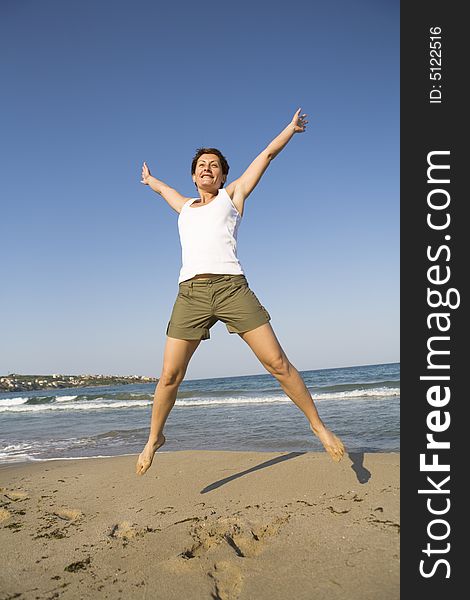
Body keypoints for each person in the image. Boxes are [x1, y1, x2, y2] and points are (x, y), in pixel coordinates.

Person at [135, 108, 345, 476]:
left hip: (232, 288)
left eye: (214, 165)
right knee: (170, 375)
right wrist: (151, 180)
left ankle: (318, 425)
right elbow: (164, 190)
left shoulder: (232, 196)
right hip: (191, 294)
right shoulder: (184, 207)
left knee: (277, 363)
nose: (207, 168)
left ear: (223, 175)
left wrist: (291, 129)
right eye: (201, 164)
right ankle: (154, 438)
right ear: (194, 174)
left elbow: (265, 155)